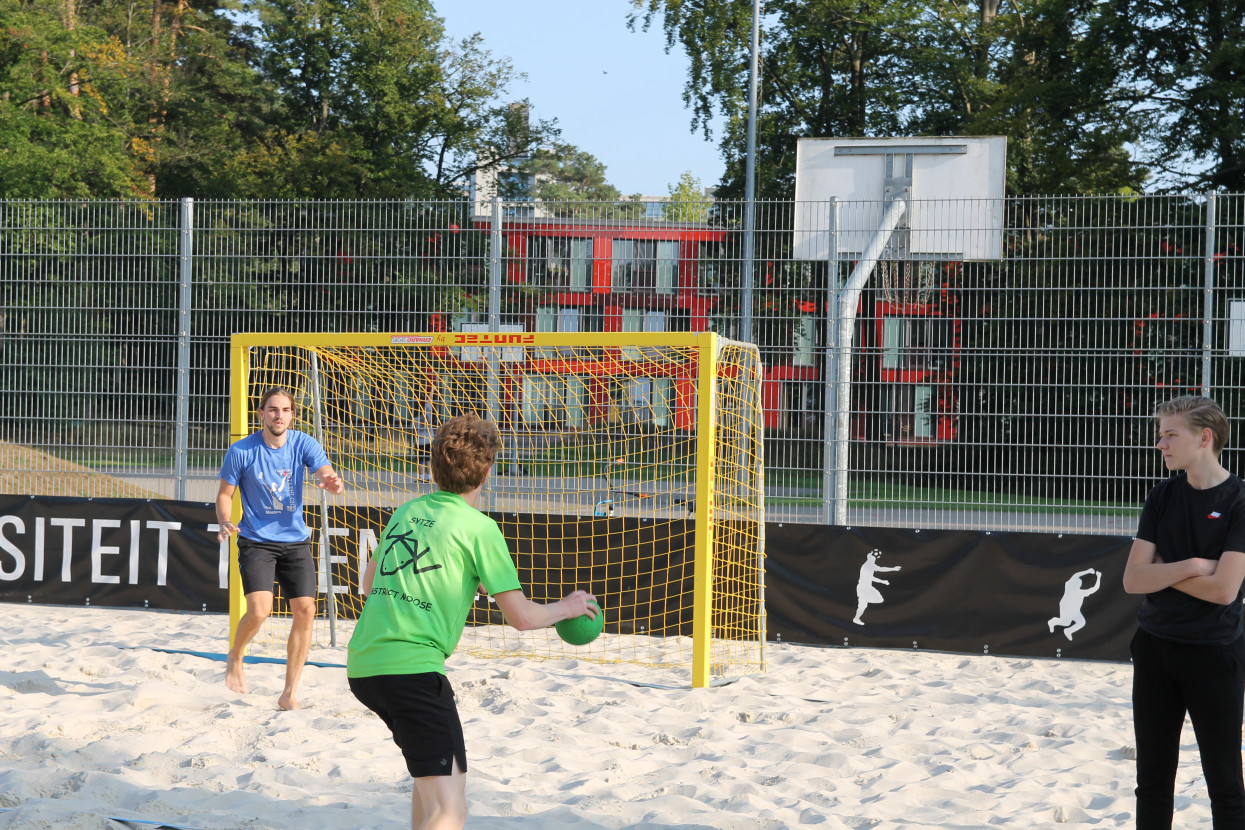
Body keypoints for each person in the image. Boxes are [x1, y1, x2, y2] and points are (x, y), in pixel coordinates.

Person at [347, 412, 597, 830]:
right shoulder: (481, 529)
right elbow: (521, 618)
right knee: (451, 810)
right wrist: (567, 608)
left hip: (364, 668)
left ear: (433, 467)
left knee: (434, 779)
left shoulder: (407, 511)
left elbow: (371, 583)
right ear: (487, 472)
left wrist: (457, 581)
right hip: (412, 673)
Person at [1123, 395, 1245, 829]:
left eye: (1171, 434)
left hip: (1213, 653)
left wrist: (1162, 570)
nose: (1161, 444)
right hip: (1155, 648)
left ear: (1205, 437)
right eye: (1161, 435)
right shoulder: (1162, 495)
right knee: (1152, 781)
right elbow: (1132, 580)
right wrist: (1194, 565)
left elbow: (1225, 590)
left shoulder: (1238, 500)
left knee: (1225, 783)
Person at [216, 386, 344, 711]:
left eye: (285, 410)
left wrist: (332, 481)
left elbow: (326, 472)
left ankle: (289, 693)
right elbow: (224, 495)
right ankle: (236, 654)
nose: (279, 415)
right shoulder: (242, 451)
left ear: (292, 414)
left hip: (296, 541)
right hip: (257, 541)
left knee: (306, 611)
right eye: (272, 409)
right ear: (261, 414)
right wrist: (224, 521)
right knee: (260, 611)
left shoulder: (303, 443)